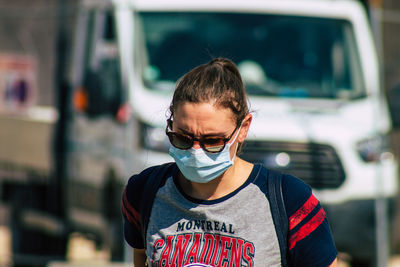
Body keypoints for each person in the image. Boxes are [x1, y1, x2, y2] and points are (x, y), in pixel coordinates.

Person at [121, 58, 338, 266]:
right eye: (183, 138)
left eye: (213, 141)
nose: (197, 150)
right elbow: (141, 255)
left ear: (243, 129)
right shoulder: (144, 192)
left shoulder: (290, 201)